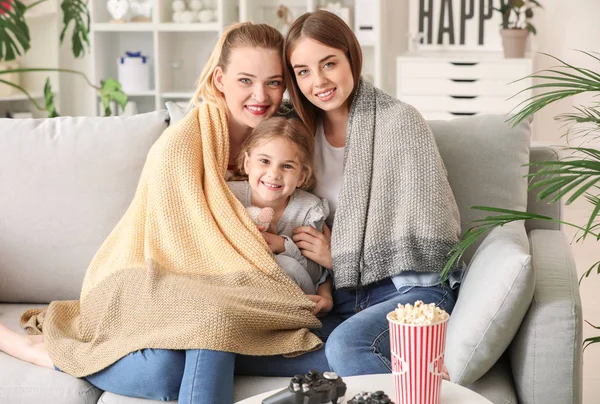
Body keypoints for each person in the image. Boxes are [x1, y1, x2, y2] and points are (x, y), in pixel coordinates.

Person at [0, 22, 330, 404]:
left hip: (228, 290)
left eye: (273, 82)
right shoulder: (185, 144)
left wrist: (324, 277)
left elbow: (308, 231)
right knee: (188, 348)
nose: (261, 95)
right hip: (152, 274)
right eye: (245, 80)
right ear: (221, 79)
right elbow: (177, 239)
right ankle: (39, 351)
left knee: (171, 370)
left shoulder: (286, 139)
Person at [236, 10, 464, 377]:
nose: (319, 81)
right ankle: (410, 367)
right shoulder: (295, 132)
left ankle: (411, 379)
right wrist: (326, 287)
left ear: (352, 57)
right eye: (303, 71)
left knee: (345, 345)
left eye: (329, 64)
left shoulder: (398, 122)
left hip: (408, 290)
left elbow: (430, 236)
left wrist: (336, 256)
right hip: (341, 297)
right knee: (247, 348)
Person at [227, 116, 329, 295]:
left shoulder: (308, 209)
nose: (274, 174)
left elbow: (313, 275)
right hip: (238, 284)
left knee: (286, 265)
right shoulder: (230, 195)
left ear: (301, 177)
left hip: (290, 292)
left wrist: (284, 246)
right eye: (265, 161)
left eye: (287, 166)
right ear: (248, 163)